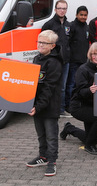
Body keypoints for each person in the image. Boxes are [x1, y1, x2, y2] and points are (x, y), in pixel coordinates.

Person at [61, 42, 97, 155]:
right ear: (90, 55)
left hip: (92, 105)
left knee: (90, 136)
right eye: (94, 54)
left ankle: (69, 128)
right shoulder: (83, 69)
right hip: (79, 105)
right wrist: (89, 90)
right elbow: (79, 91)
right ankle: (89, 145)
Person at [27, 30, 63, 177]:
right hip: (38, 105)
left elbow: (49, 87)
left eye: (44, 43)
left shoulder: (54, 63)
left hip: (50, 105)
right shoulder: (37, 58)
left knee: (51, 135)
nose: (40, 45)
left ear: (52, 46)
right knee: (41, 134)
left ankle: (52, 161)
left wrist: (39, 106)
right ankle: (43, 156)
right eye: (39, 42)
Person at [42, 0, 71, 117]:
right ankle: (51, 109)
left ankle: (61, 110)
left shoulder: (68, 25)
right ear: (55, 9)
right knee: (51, 86)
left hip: (66, 61)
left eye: (64, 8)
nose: (62, 10)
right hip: (53, 61)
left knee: (63, 87)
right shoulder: (49, 24)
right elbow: (43, 42)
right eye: (60, 8)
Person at [66, 5, 89, 114]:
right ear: (76, 15)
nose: (83, 17)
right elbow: (68, 43)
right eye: (81, 15)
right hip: (74, 61)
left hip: (83, 62)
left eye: (85, 15)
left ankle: (78, 104)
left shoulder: (86, 27)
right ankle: (69, 105)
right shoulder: (72, 26)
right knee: (71, 84)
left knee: (81, 85)